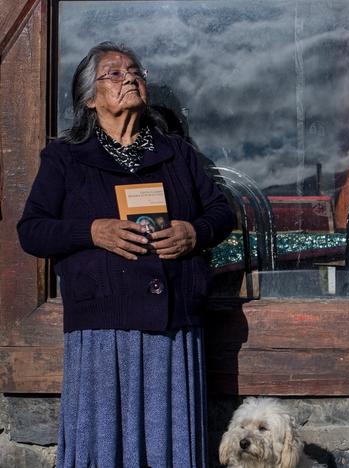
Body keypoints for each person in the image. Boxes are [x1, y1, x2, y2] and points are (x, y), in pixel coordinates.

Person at [16, 42, 236, 467]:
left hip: (172, 327)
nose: (130, 78)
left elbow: (221, 213)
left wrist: (194, 232)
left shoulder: (178, 154)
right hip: (103, 329)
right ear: (88, 97)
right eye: (113, 74)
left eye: (135, 71)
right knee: (105, 449)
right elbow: (32, 231)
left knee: (167, 446)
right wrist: (92, 231)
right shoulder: (65, 157)